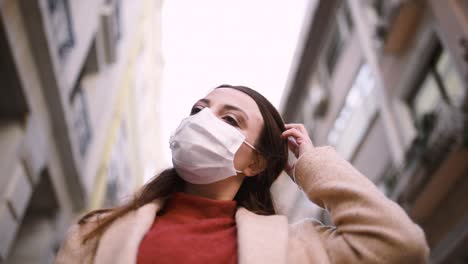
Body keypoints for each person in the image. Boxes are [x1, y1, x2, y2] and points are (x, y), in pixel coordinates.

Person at [55, 85, 429, 264]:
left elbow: (399, 243)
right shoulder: (96, 232)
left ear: (255, 164)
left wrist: (312, 165)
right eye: (199, 109)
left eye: (230, 119)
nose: (203, 120)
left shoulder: (295, 249)